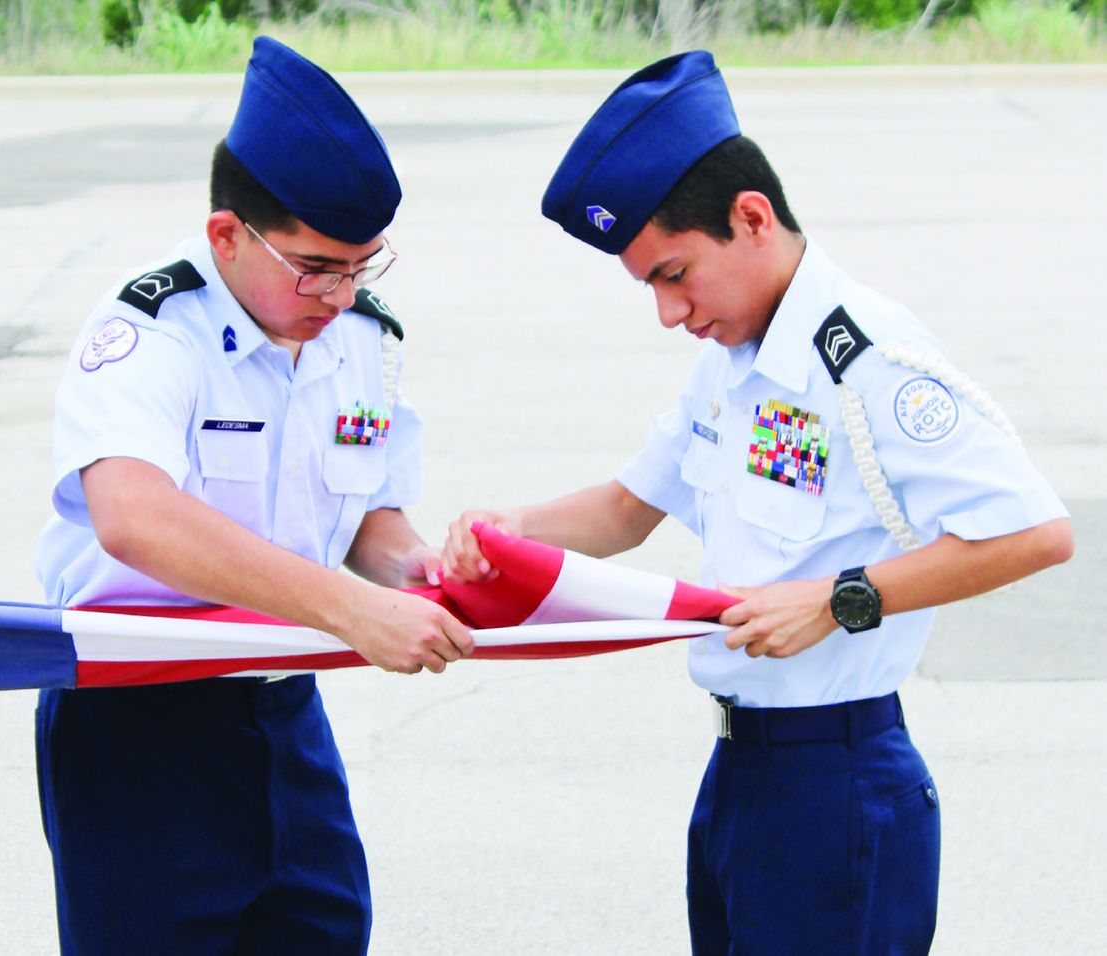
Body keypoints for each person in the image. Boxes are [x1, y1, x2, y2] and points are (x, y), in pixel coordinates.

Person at [442, 51, 1074, 954]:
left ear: (751, 218)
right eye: (651, 287)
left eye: (674, 274)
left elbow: (1036, 532)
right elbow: (628, 508)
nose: (669, 313)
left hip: (837, 781)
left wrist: (840, 599)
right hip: (742, 773)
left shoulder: (867, 359)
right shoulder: (733, 360)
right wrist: (511, 529)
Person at [34, 36, 473, 955]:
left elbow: (367, 515)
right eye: (316, 267)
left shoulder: (360, 335)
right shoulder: (152, 332)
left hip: (285, 707)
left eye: (362, 267)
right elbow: (134, 518)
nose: (340, 294)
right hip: (142, 723)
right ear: (227, 235)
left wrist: (423, 572)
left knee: (324, 932)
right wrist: (353, 609)